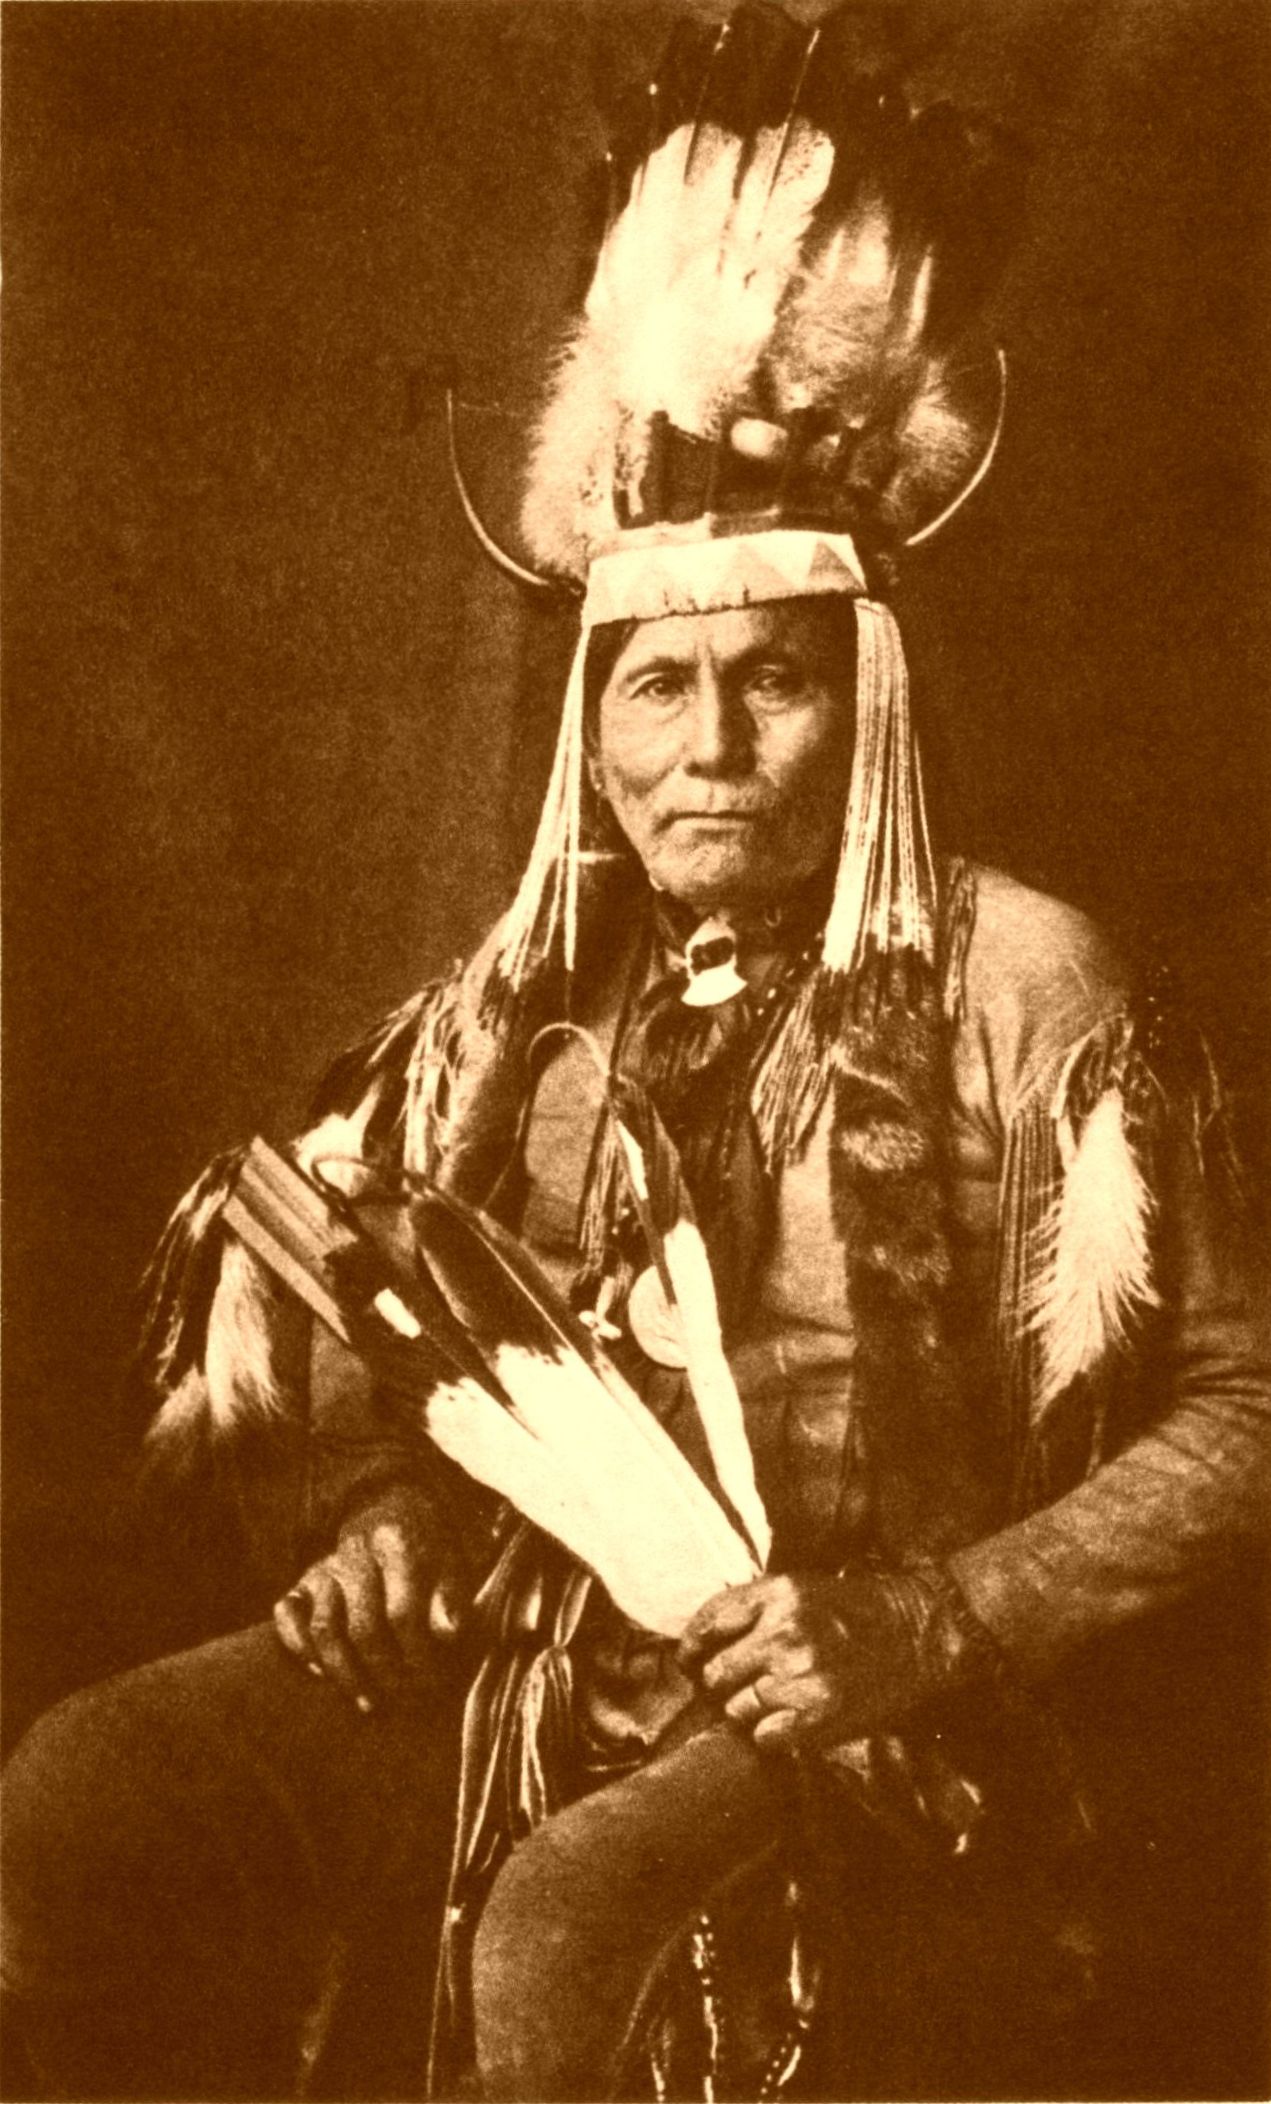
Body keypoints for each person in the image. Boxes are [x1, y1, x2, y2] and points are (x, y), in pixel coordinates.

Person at [3, 8, 1268, 2100]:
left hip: (870, 1697)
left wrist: (935, 1620)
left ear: (867, 706)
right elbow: (408, 1337)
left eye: (775, 682)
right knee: (80, 1789)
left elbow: (1245, 1406)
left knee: (571, 1921)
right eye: (658, 689)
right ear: (591, 735)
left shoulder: (1028, 975)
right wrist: (384, 1516)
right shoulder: (524, 1006)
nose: (713, 750)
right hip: (530, 1652)